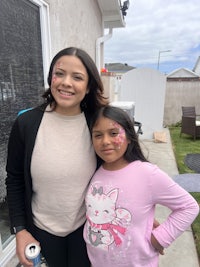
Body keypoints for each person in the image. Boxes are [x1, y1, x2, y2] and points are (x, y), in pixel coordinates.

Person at [6, 47, 107, 267]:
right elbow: (14, 180)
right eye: (59, 73)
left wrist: (140, 210)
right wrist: (20, 230)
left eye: (77, 77)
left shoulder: (99, 125)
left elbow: (124, 167)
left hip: (87, 231)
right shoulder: (26, 124)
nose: (66, 82)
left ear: (89, 86)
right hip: (41, 233)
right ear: (51, 77)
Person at [83, 105, 200, 267]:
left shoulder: (147, 174)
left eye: (114, 133)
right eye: (98, 135)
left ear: (130, 137)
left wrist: (161, 238)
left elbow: (189, 207)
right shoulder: (96, 172)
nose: (105, 141)